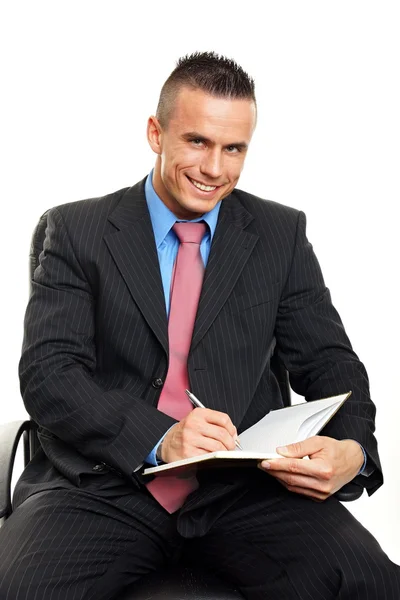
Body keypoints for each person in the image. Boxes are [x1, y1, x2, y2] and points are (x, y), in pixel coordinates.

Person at [0, 51, 398, 599]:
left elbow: (331, 362)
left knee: (371, 583)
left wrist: (353, 449)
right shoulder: (75, 231)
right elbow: (50, 375)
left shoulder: (280, 235)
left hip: (243, 491)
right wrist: (160, 438)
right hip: (103, 485)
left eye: (233, 148)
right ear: (156, 132)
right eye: (197, 142)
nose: (215, 168)